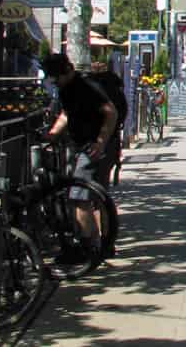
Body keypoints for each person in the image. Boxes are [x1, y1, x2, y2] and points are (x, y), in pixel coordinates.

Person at [42, 53, 117, 263]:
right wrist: (52, 134)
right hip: (81, 146)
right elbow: (67, 114)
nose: (54, 81)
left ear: (67, 70)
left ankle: (88, 248)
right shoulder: (67, 89)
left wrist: (100, 142)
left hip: (91, 148)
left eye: (56, 76)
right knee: (89, 197)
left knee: (79, 197)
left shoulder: (85, 87)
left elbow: (110, 112)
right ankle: (100, 245)